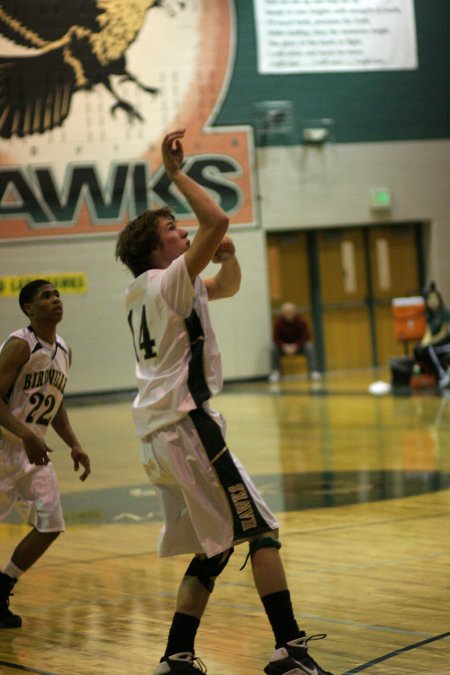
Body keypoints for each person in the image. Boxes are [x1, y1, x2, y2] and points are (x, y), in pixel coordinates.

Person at [115, 129, 332, 675]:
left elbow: (226, 286)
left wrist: (227, 258)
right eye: (172, 230)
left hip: (160, 431)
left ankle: (177, 656)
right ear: (155, 250)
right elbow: (216, 221)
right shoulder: (168, 283)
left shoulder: (145, 289)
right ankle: (290, 650)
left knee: (215, 547)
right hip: (189, 426)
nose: (183, 231)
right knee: (261, 530)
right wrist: (175, 176)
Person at [0, 279, 91, 628]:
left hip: (34, 450)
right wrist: (24, 434)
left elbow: (56, 400)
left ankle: (3, 584)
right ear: (28, 308)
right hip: (7, 443)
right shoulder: (20, 344)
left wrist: (75, 444)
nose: (55, 300)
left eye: (57, 295)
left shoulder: (65, 349)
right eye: (46, 296)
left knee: (50, 524)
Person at [270, 302, 321, 382]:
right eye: (286, 311)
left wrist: (296, 346)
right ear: (283, 312)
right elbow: (276, 338)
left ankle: (313, 371)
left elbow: (306, 336)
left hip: (299, 346)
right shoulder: (278, 322)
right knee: (273, 348)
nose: (288, 313)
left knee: (309, 347)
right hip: (284, 347)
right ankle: (275, 372)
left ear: (294, 311)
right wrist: (284, 346)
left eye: (290, 311)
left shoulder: (301, 321)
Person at [414, 283, 450, 388]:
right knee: (419, 349)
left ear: (439, 300)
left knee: (429, 349)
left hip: (446, 342)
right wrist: (423, 343)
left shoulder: (444, 313)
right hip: (436, 343)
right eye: (430, 299)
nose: (432, 302)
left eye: (434, 299)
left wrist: (430, 342)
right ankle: (429, 376)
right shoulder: (429, 316)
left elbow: (443, 333)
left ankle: (442, 375)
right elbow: (428, 333)